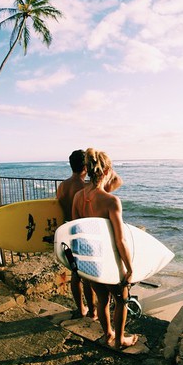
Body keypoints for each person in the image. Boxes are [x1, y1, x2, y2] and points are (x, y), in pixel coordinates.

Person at [72, 148, 138, 350]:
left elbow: (77, 233)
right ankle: (119, 341)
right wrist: (130, 268)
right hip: (109, 259)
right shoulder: (111, 201)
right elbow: (120, 240)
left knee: (102, 299)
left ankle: (108, 334)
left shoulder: (77, 197)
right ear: (107, 169)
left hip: (89, 259)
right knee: (121, 299)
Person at [57, 149, 123, 319]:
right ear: (86, 167)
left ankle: (81, 309)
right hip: (86, 234)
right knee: (87, 276)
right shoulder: (85, 188)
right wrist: (106, 169)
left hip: (68, 231)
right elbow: (117, 182)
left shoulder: (62, 186)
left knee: (75, 275)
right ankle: (93, 311)